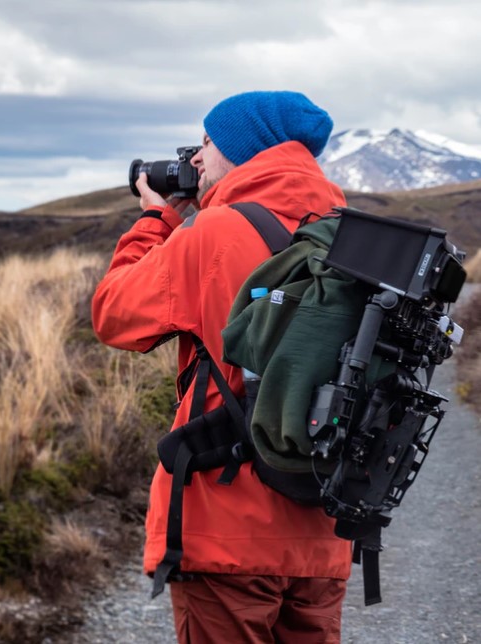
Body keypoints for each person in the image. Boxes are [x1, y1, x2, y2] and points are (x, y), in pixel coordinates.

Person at [91, 91, 354, 643]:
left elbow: (114, 315)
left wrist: (157, 222)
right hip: (324, 526)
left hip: (228, 525)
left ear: (241, 148)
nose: (195, 160)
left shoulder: (212, 233)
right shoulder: (351, 234)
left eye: (207, 143)